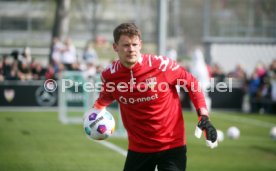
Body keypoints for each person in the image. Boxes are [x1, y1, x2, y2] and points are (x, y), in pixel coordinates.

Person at [91, 23, 217, 171]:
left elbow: (192, 83)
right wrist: (94, 113)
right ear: (115, 47)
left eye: (134, 44)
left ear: (140, 45)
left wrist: (203, 116)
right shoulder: (109, 75)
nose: (131, 49)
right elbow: (106, 96)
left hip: (172, 145)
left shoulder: (162, 66)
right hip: (138, 148)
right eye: (125, 45)